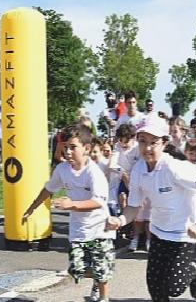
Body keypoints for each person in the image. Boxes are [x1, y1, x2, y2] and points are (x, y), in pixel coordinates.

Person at [106, 117, 196, 301]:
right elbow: (133, 205)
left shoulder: (175, 167)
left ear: (164, 143)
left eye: (153, 143)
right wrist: (120, 220)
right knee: (155, 287)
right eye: (142, 142)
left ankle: (194, 267)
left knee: (174, 287)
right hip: (159, 231)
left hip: (182, 232)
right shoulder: (138, 170)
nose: (147, 148)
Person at [22, 124, 115, 301]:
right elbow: (48, 189)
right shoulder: (62, 170)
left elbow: (98, 202)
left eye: (73, 147)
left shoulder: (94, 173)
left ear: (87, 149)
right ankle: (98, 277)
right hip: (78, 229)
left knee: (101, 269)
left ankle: (103, 297)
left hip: (100, 229)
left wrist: (71, 204)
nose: (68, 152)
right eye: (66, 147)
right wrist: (32, 207)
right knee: (76, 270)